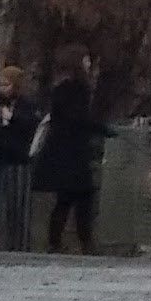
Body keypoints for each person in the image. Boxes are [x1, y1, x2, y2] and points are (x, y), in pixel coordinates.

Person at [37, 48, 108, 254]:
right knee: (81, 197)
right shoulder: (78, 89)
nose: (88, 64)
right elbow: (78, 119)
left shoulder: (61, 89)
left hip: (63, 150)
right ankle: (84, 242)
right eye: (85, 60)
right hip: (72, 151)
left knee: (66, 198)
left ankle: (57, 241)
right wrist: (99, 128)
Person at [0, 63, 40, 253]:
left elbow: (31, 124)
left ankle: (20, 245)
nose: (3, 88)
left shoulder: (27, 105)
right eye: (1, 84)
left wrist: (11, 118)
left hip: (19, 159)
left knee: (19, 206)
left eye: (7, 84)